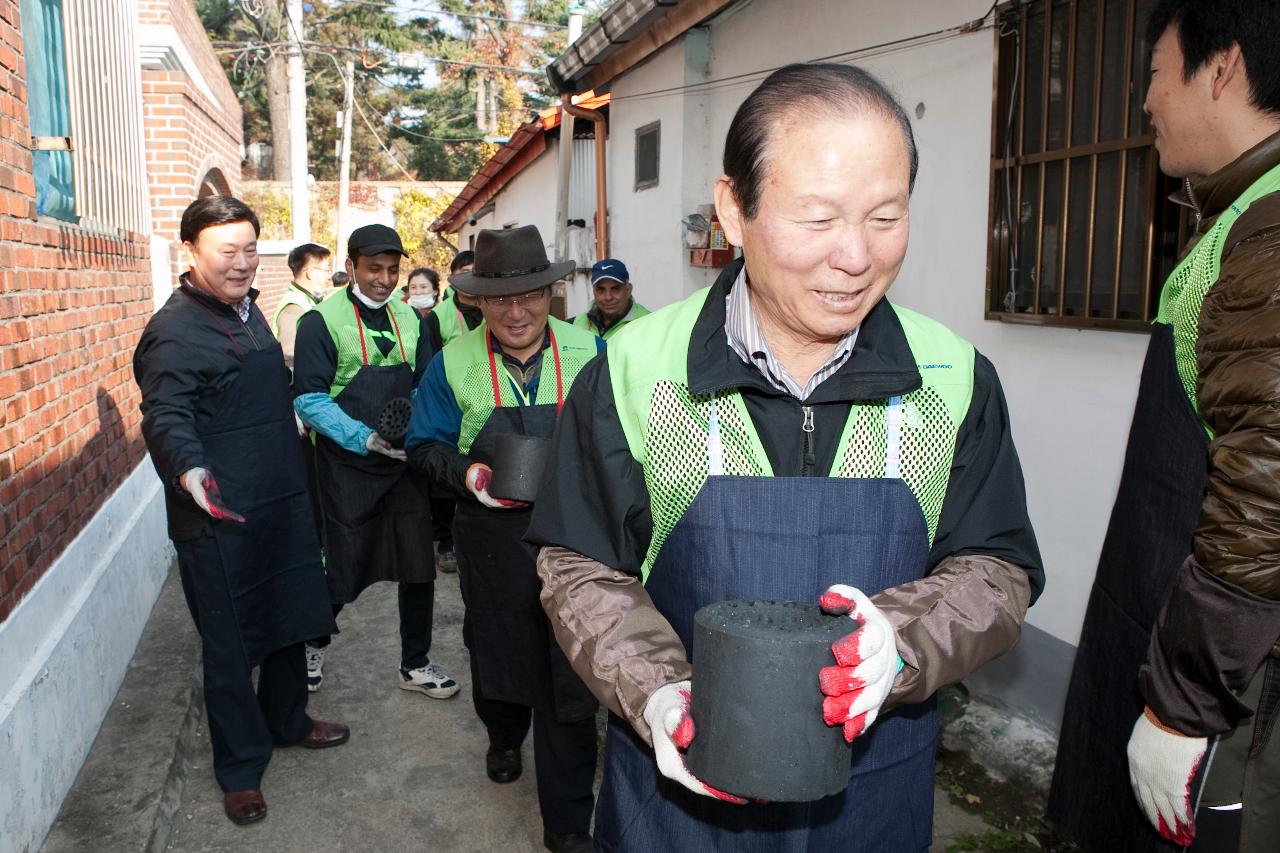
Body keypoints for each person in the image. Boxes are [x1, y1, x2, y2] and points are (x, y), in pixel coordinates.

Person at [525, 63, 1045, 852]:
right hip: (680, 802)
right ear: (733, 209)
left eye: (885, 216)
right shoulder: (635, 374)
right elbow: (580, 566)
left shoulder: (954, 380)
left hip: (871, 792)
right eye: (818, 219)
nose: (856, 256)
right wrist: (660, 691)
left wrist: (900, 643)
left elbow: (996, 570)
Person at [1049, 3, 1280, 852]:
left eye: (1154, 71)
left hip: (1230, 704)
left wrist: (1182, 707)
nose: (1144, 100)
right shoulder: (1240, 216)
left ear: (1220, 70)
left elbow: (1269, 485)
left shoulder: (1271, 229)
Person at [133, 197, 348, 827]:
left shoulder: (251, 311)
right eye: (227, 250)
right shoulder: (172, 331)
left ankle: (287, 720)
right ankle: (239, 767)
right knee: (229, 646)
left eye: (250, 249)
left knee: (287, 619)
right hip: (219, 515)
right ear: (190, 253)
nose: (242, 263)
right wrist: (188, 468)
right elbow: (165, 414)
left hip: (279, 498)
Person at [406, 225, 605, 853]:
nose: (516, 313)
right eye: (499, 300)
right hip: (490, 532)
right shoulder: (453, 361)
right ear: (477, 303)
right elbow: (424, 444)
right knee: (496, 646)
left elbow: (619, 439)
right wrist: (465, 473)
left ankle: (568, 823)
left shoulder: (591, 353)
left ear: (551, 293)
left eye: (530, 296)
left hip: (575, 532)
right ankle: (501, 730)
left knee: (571, 670)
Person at [292, 223, 459, 700]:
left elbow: (427, 382)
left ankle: (416, 662)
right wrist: (363, 438)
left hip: (403, 463)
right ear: (351, 268)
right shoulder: (319, 323)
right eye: (373, 269)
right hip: (348, 466)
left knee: (417, 565)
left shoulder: (414, 320)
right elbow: (309, 399)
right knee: (342, 564)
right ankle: (313, 641)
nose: (384, 279)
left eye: (392, 270)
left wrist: (420, 432)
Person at [274, 242, 332, 369]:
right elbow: (289, 362)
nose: (329, 276)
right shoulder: (294, 309)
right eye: (327, 270)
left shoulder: (306, 301)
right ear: (310, 273)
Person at [571, 258, 649, 340]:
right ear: (594, 291)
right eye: (601, 289)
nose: (608, 297)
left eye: (615, 289)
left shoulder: (648, 323)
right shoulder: (576, 324)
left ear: (628, 289)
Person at [424, 249, 483, 351]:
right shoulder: (436, 317)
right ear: (452, 278)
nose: (471, 278)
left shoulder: (496, 308)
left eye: (475, 272)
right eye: (465, 272)